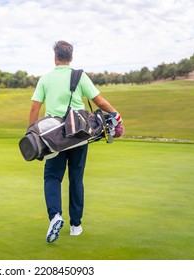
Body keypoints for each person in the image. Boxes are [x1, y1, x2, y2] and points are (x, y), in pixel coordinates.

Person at [29, 40, 123, 243]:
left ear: (55, 57)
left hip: (53, 138)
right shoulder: (80, 76)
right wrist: (116, 114)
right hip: (79, 135)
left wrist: (32, 133)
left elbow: (35, 109)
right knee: (76, 178)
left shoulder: (45, 79)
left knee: (52, 178)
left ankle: (55, 216)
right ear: (71, 57)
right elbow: (99, 101)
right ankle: (75, 226)